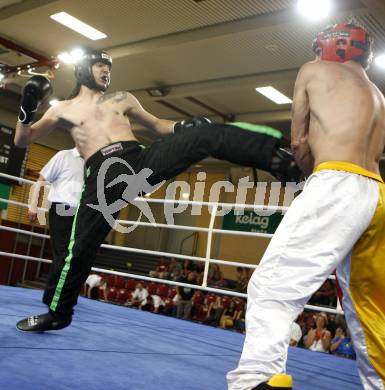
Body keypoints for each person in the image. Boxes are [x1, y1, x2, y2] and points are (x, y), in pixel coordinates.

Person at [14, 46, 299, 332]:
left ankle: (277, 159)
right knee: (78, 250)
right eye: (100, 65)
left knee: (205, 134)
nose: (106, 71)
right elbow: (22, 141)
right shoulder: (63, 109)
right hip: (102, 177)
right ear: (83, 69)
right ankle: (58, 313)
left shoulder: (122, 98)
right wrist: (27, 110)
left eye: (108, 67)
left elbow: (158, 125)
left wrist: (183, 126)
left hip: (138, 163)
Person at [227, 22, 385, 390]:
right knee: (369, 307)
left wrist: (305, 172)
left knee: (272, 286)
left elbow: (299, 140)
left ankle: (256, 379)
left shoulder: (312, 71)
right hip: (377, 193)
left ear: (328, 48)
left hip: (336, 182)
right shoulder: (378, 94)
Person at [27, 147, 84, 310]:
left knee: (76, 255)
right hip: (61, 208)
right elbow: (41, 180)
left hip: (81, 213)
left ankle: (65, 296)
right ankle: (51, 297)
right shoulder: (63, 155)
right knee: (63, 254)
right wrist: (33, 206)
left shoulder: (92, 162)